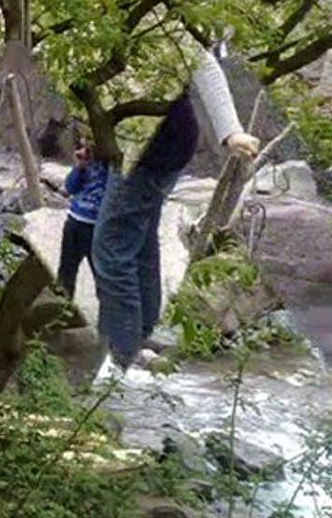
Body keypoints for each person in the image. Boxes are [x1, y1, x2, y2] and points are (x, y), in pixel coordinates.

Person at [91, 39, 259, 370]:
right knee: (139, 240)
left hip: (150, 147)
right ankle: (142, 335)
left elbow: (204, 65)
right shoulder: (118, 19)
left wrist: (231, 132)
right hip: (150, 141)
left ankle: (122, 356)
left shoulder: (153, 17)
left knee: (111, 249)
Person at [56, 140, 108, 300]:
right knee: (66, 271)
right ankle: (62, 304)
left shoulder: (113, 167)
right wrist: (79, 166)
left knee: (103, 275)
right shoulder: (86, 165)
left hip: (99, 229)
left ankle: (108, 308)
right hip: (75, 222)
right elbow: (70, 187)